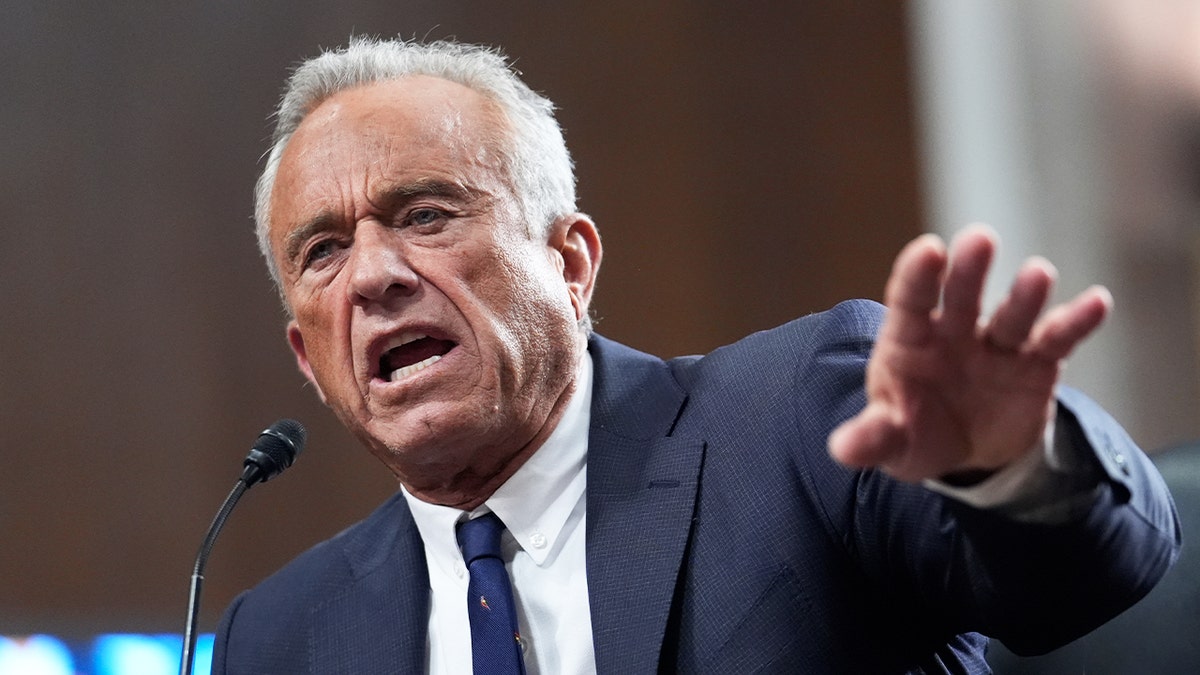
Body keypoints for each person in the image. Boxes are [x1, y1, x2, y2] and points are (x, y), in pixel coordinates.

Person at [211, 38, 1179, 674]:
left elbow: (1090, 579)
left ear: (570, 261)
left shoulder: (797, 421)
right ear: (309, 354)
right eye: (323, 250)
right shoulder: (279, 639)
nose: (374, 274)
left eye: (425, 215)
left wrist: (1007, 466)